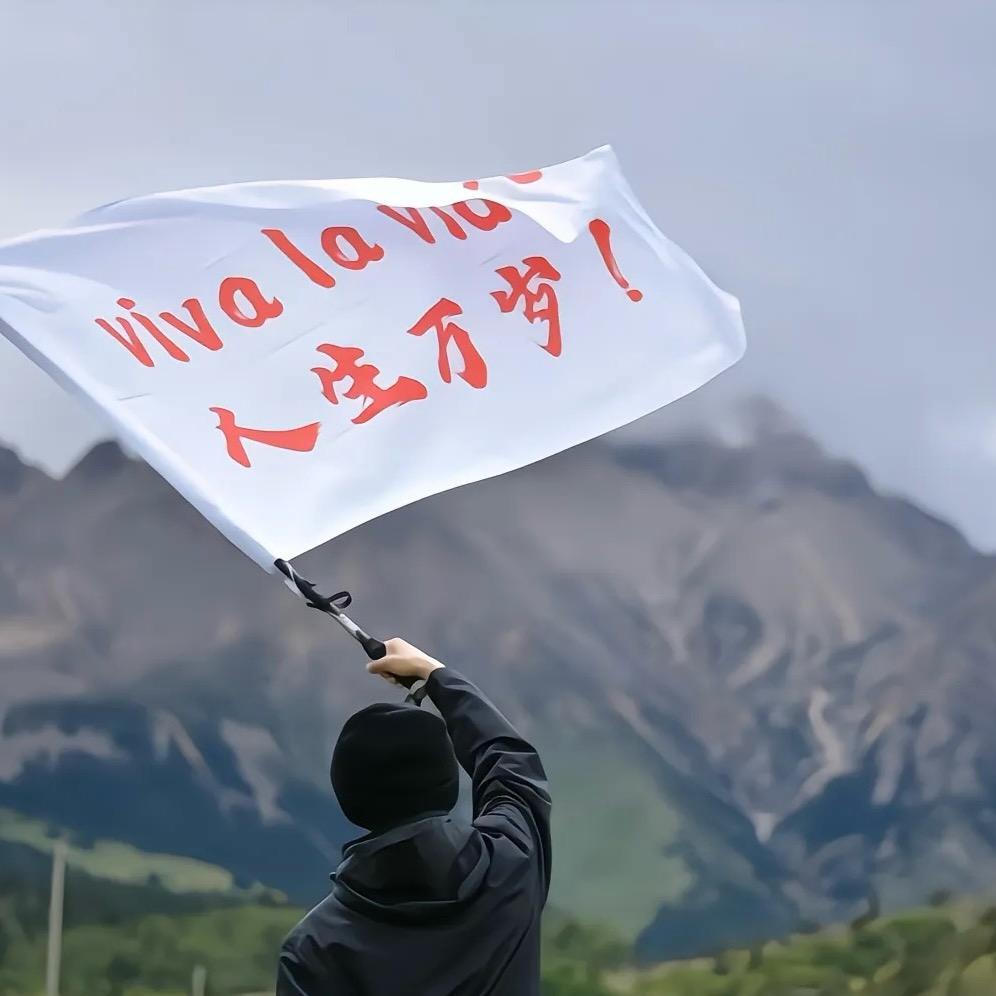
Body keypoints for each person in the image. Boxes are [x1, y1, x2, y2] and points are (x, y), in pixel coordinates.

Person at [276, 638, 552, 996]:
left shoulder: (313, 950)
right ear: (447, 783)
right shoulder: (512, 864)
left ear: (348, 797)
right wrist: (434, 674)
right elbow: (509, 761)